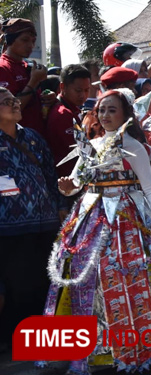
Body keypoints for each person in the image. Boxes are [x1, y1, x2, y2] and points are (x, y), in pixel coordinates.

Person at [41, 90, 151, 373]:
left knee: (131, 277)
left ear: (126, 114)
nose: (105, 115)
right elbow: (79, 185)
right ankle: (95, 345)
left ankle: (140, 339)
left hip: (127, 221)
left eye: (111, 110)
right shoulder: (90, 146)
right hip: (91, 221)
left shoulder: (134, 147)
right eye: (101, 110)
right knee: (89, 279)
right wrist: (67, 187)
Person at [0, 87, 65, 351]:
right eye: (6, 102)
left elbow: (51, 176)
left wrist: (60, 205)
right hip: (10, 228)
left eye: (14, 100)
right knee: (18, 286)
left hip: (46, 222)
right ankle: (12, 339)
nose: (15, 104)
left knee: (44, 282)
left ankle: (39, 340)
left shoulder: (34, 138)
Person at [0, 18, 48, 136]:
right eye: (25, 40)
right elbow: (10, 110)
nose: (30, 45)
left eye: (33, 41)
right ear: (10, 40)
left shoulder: (29, 66)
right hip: (14, 141)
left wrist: (49, 99)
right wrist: (34, 81)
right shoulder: (3, 68)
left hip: (35, 138)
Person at [45, 64, 91, 178]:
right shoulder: (63, 114)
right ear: (62, 87)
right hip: (69, 178)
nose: (83, 95)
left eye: (87, 90)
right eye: (78, 90)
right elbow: (81, 151)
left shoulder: (72, 109)